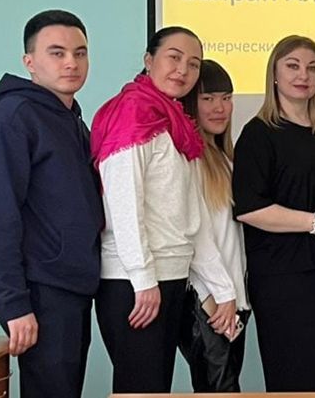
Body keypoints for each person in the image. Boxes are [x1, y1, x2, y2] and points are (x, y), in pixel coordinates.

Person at [92, 26, 237, 394]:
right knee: (140, 389)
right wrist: (143, 280)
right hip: (133, 283)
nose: (183, 70)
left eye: (194, 64)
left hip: (170, 277)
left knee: (155, 388)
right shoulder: (132, 113)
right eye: (174, 57)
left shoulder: (175, 124)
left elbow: (193, 219)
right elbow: (124, 205)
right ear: (148, 60)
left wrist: (223, 288)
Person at [0, 10, 104, 398]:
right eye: (57, 53)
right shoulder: (11, 119)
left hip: (74, 288)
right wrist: (13, 304)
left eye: (80, 53)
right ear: (29, 62)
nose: (71, 63)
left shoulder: (71, 119)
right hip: (42, 291)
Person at [233, 35, 315, 391]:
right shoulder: (258, 134)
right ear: (274, 74)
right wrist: (314, 224)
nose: (303, 75)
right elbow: (249, 208)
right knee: (300, 382)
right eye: (293, 66)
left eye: (312, 68)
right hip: (284, 280)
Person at [177, 59, 251, 392]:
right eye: (208, 99)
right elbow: (195, 238)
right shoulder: (189, 160)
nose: (219, 108)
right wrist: (217, 298)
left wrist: (234, 298)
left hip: (232, 301)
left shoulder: (225, 159)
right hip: (210, 302)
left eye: (226, 98)